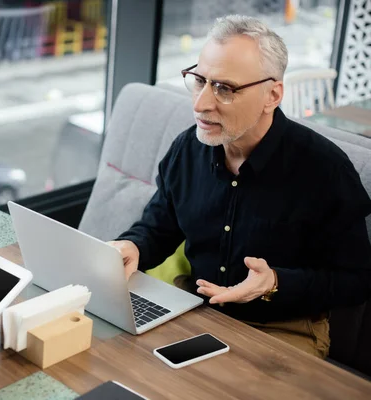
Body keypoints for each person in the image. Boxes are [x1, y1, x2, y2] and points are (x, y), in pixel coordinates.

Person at [110, 15, 371, 359]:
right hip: (195, 309)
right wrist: (135, 246)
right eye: (200, 80)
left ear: (272, 95)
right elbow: (160, 224)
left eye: (224, 88)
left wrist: (275, 283)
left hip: (281, 327)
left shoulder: (326, 171)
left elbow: (357, 280)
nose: (200, 103)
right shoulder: (188, 149)